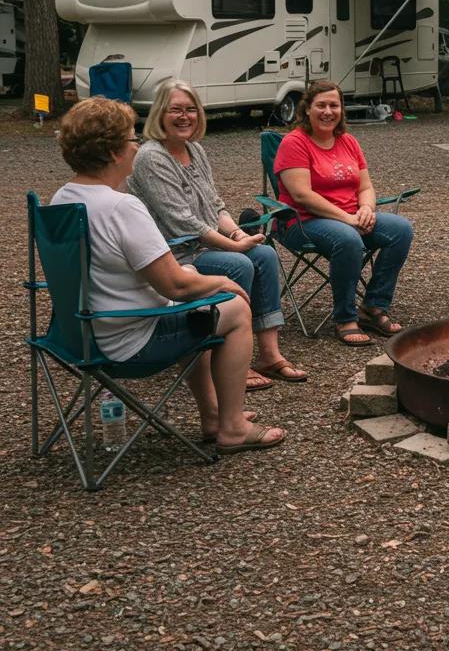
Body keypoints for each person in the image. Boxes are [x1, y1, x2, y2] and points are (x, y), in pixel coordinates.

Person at [51, 98, 286, 455]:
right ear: (114, 152)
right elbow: (173, 285)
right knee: (234, 309)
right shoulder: (120, 206)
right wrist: (221, 282)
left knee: (193, 289)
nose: (136, 146)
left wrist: (192, 276)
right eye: (132, 139)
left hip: (77, 334)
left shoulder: (62, 199)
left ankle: (211, 415)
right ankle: (234, 427)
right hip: (126, 342)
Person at [128, 80, 308, 390]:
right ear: (160, 114)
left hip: (205, 245)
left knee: (263, 254)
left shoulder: (194, 149)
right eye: (176, 110)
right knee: (239, 265)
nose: (185, 117)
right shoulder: (151, 157)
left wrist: (238, 235)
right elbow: (182, 222)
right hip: (176, 254)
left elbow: (215, 206)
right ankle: (230, 361)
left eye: (191, 110)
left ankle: (268, 354)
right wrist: (235, 248)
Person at [274, 80, 413, 346]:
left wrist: (366, 209)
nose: (328, 111)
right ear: (307, 110)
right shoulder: (295, 143)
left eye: (334, 105)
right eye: (321, 105)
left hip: (350, 217)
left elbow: (366, 186)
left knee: (400, 229)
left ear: (341, 110)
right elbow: (303, 195)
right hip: (303, 222)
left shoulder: (347, 141)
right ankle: (345, 317)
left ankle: (373, 306)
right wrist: (349, 219)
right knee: (347, 239)